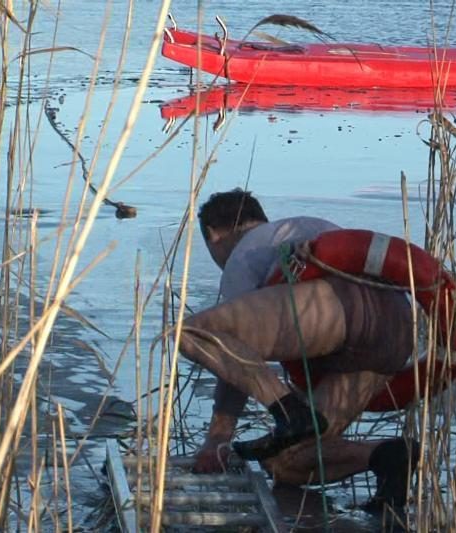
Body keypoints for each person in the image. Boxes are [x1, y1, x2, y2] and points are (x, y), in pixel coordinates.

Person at [178, 188, 421, 524]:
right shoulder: (301, 228)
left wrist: (218, 438)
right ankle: (386, 456)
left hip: (338, 310)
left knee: (191, 332)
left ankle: (290, 413)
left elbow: (231, 348)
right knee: (289, 463)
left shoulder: (245, 253)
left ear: (213, 235)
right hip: (396, 327)